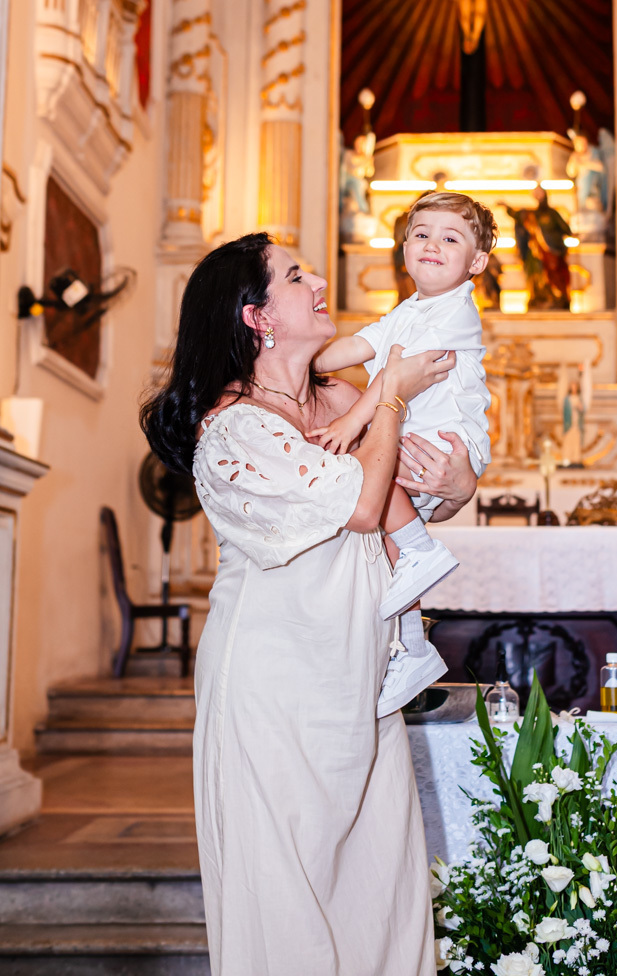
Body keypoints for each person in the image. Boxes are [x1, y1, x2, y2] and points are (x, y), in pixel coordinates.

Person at [140, 232, 477, 976]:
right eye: (297, 276)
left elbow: (406, 499)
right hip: (275, 682)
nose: (319, 280)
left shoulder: (343, 400)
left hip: (363, 675)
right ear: (257, 315)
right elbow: (360, 504)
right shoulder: (233, 428)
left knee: (378, 889)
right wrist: (392, 391)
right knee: (283, 896)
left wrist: (456, 484)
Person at [311, 191, 496, 695]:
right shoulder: (411, 309)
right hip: (419, 436)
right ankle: (413, 648)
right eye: (421, 234)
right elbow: (359, 347)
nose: (431, 243)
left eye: (449, 237)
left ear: (476, 262)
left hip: (444, 439)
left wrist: (351, 421)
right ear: (404, 247)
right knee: (393, 564)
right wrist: (307, 360)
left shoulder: (453, 312)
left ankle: (419, 550)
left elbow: (392, 378)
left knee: (366, 462)